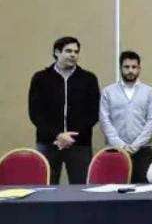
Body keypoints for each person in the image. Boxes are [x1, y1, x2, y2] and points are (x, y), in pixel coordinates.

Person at [28, 36, 100, 184]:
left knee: (81, 188)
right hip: (49, 142)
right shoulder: (41, 78)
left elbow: (93, 112)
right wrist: (58, 135)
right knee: (47, 187)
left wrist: (71, 137)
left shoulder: (88, 78)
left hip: (79, 143)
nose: (73, 55)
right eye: (68, 51)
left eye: (76, 52)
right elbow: (36, 113)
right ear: (57, 52)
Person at [99, 51, 152, 183]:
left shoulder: (149, 92)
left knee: (143, 190)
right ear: (120, 68)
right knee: (114, 189)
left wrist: (135, 146)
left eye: (134, 67)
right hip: (115, 150)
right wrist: (121, 145)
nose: (130, 70)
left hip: (142, 150)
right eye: (126, 67)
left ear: (139, 68)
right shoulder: (108, 92)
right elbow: (105, 121)